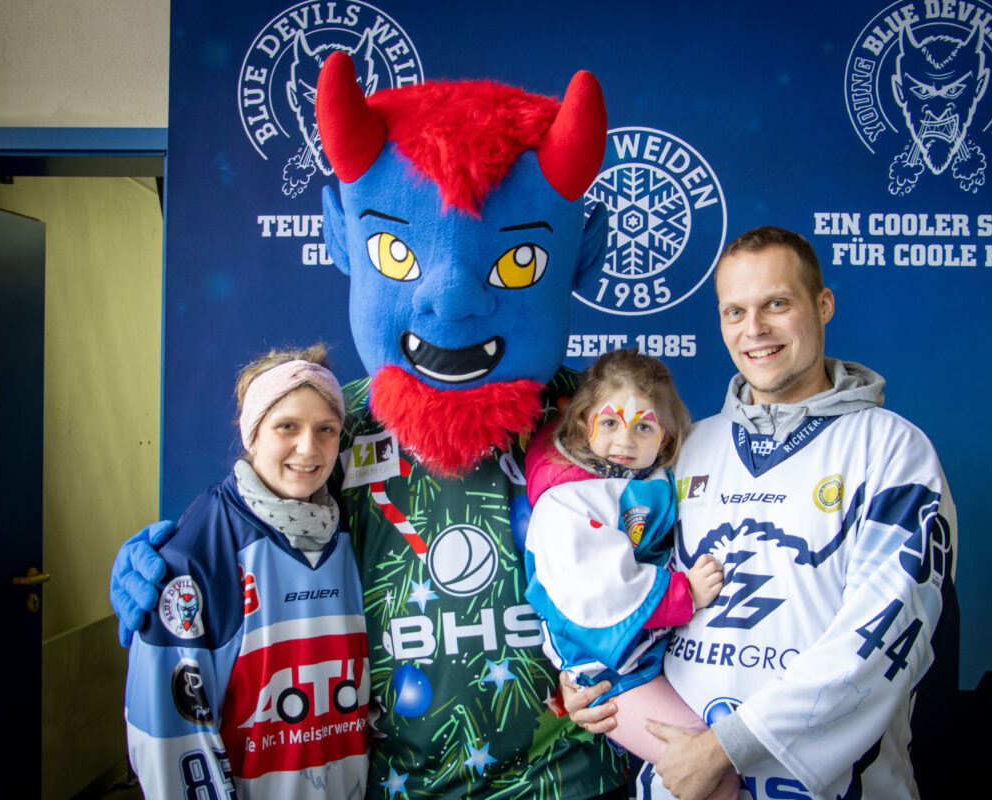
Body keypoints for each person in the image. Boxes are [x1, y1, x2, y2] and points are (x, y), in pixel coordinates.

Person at [111, 55, 629, 799]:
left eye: (519, 262)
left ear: (584, 251)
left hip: (571, 778)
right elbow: (248, 529)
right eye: (397, 252)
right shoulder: (334, 423)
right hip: (397, 781)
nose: (451, 301)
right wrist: (173, 574)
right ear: (341, 236)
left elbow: (679, 538)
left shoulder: (600, 418)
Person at [565, 226, 958, 800]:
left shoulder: (892, 450)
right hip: (678, 785)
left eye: (777, 304)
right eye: (735, 311)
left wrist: (724, 748)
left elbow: (884, 635)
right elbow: (620, 585)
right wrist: (585, 672)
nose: (754, 329)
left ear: (823, 306)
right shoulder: (684, 448)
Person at [123, 345, 371, 798]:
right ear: (251, 433)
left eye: (326, 429)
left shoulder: (351, 532)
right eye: (287, 426)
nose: (308, 448)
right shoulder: (194, 557)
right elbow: (167, 738)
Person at [522, 349, 739, 800]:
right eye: (609, 423)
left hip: (655, 656)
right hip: (610, 672)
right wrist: (685, 593)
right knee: (707, 766)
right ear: (584, 422)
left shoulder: (651, 475)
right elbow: (597, 589)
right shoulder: (568, 499)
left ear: (665, 436)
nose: (625, 440)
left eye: (643, 427)